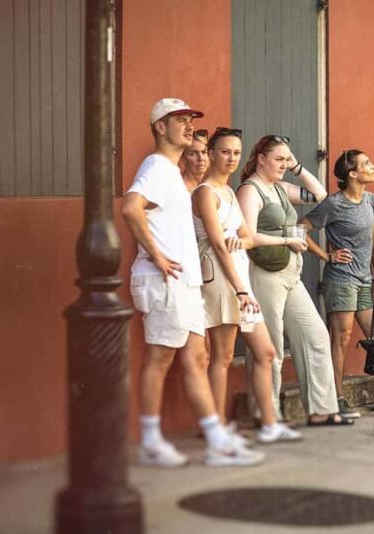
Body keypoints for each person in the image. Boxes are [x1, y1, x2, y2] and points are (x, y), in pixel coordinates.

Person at [121, 98, 264, 467]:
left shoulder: (172, 171)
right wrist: (154, 254)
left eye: (190, 120)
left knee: (197, 358)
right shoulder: (155, 166)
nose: (187, 125)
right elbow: (130, 207)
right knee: (160, 359)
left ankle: (216, 440)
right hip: (163, 280)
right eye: (178, 120)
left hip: (184, 283)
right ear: (159, 127)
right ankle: (152, 441)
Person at [192, 127, 302, 443]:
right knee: (223, 356)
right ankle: (215, 426)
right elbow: (218, 243)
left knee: (266, 352)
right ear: (211, 153)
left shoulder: (229, 191)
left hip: (239, 278)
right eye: (225, 151)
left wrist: (240, 240)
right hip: (221, 279)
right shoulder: (205, 193)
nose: (231, 158)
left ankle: (269, 424)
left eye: (237, 153)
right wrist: (240, 288)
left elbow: (246, 237)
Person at [236, 135, 352, 427]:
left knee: (315, 336)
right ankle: (266, 414)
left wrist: (298, 165)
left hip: (290, 273)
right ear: (261, 159)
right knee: (270, 347)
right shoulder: (250, 190)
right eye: (279, 159)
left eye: (286, 160)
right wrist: (287, 239)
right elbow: (248, 236)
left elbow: (320, 193)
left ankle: (321, 409)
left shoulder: (280, 188)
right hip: (264, 274)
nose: (283, 165)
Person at [301, 150, 374, 419]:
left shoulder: (371, 200)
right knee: (341, 339)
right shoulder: (334, 204)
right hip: (340, 279)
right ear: (352, 174)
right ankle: (337, 399)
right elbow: (301, 228)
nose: (373, 166)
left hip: (366, 282)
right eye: (367, 164)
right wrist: (325, 255)